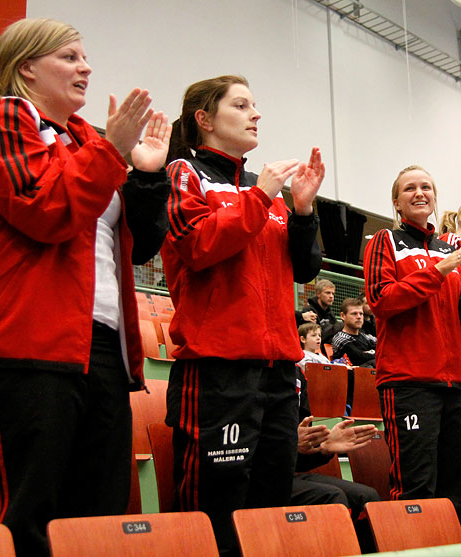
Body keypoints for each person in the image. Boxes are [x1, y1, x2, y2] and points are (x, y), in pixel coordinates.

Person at [0, 18, 170, 557]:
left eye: (84, 57)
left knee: (96, 519)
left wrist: (145, 177)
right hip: (22, 346)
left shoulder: (89, 138)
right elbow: (44, 212)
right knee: (23, 520)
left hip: (101, 348)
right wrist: (113, 153)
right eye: (69, 57)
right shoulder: (0, 121)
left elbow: (139, 249)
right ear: (27, 66)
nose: (85, 67)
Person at [160, 75, 324, 555]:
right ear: (205, 119)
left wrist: (304, 209)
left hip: (276, 371)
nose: (256, 114)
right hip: (217, 370)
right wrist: (260, 196)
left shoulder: (265, 189)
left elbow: (306, 267)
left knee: (270, 504)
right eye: (242, 105)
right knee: (214, 507)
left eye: (256, 105)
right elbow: (196, 247)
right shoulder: (182, 173)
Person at [363, 165, 461, 530]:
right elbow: (382, 300)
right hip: (408, 380)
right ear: (397, 201)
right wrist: (437, 272)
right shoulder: (385, 240)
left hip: (452, 382)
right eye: (410, 188)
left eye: (426, 186)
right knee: (416, 486)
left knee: (454, 483)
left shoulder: (448, 250)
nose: (419, 193)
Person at [293, 364, 380, 551]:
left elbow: (299, 458)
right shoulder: (248, 371)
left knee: (368, 497)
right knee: (332, 497)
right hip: (260, 477)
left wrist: (323, 448)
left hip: (289, 473)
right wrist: (290, 443)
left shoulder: (296, 374)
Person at [331, 297, 376, 368]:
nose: (359, 317)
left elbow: (383, 349)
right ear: (343, 316)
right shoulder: (340, 338)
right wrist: (373, 352)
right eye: (354, 314)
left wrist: (370, 353)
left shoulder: (366, 337)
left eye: (361, 314)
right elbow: (358, 358)